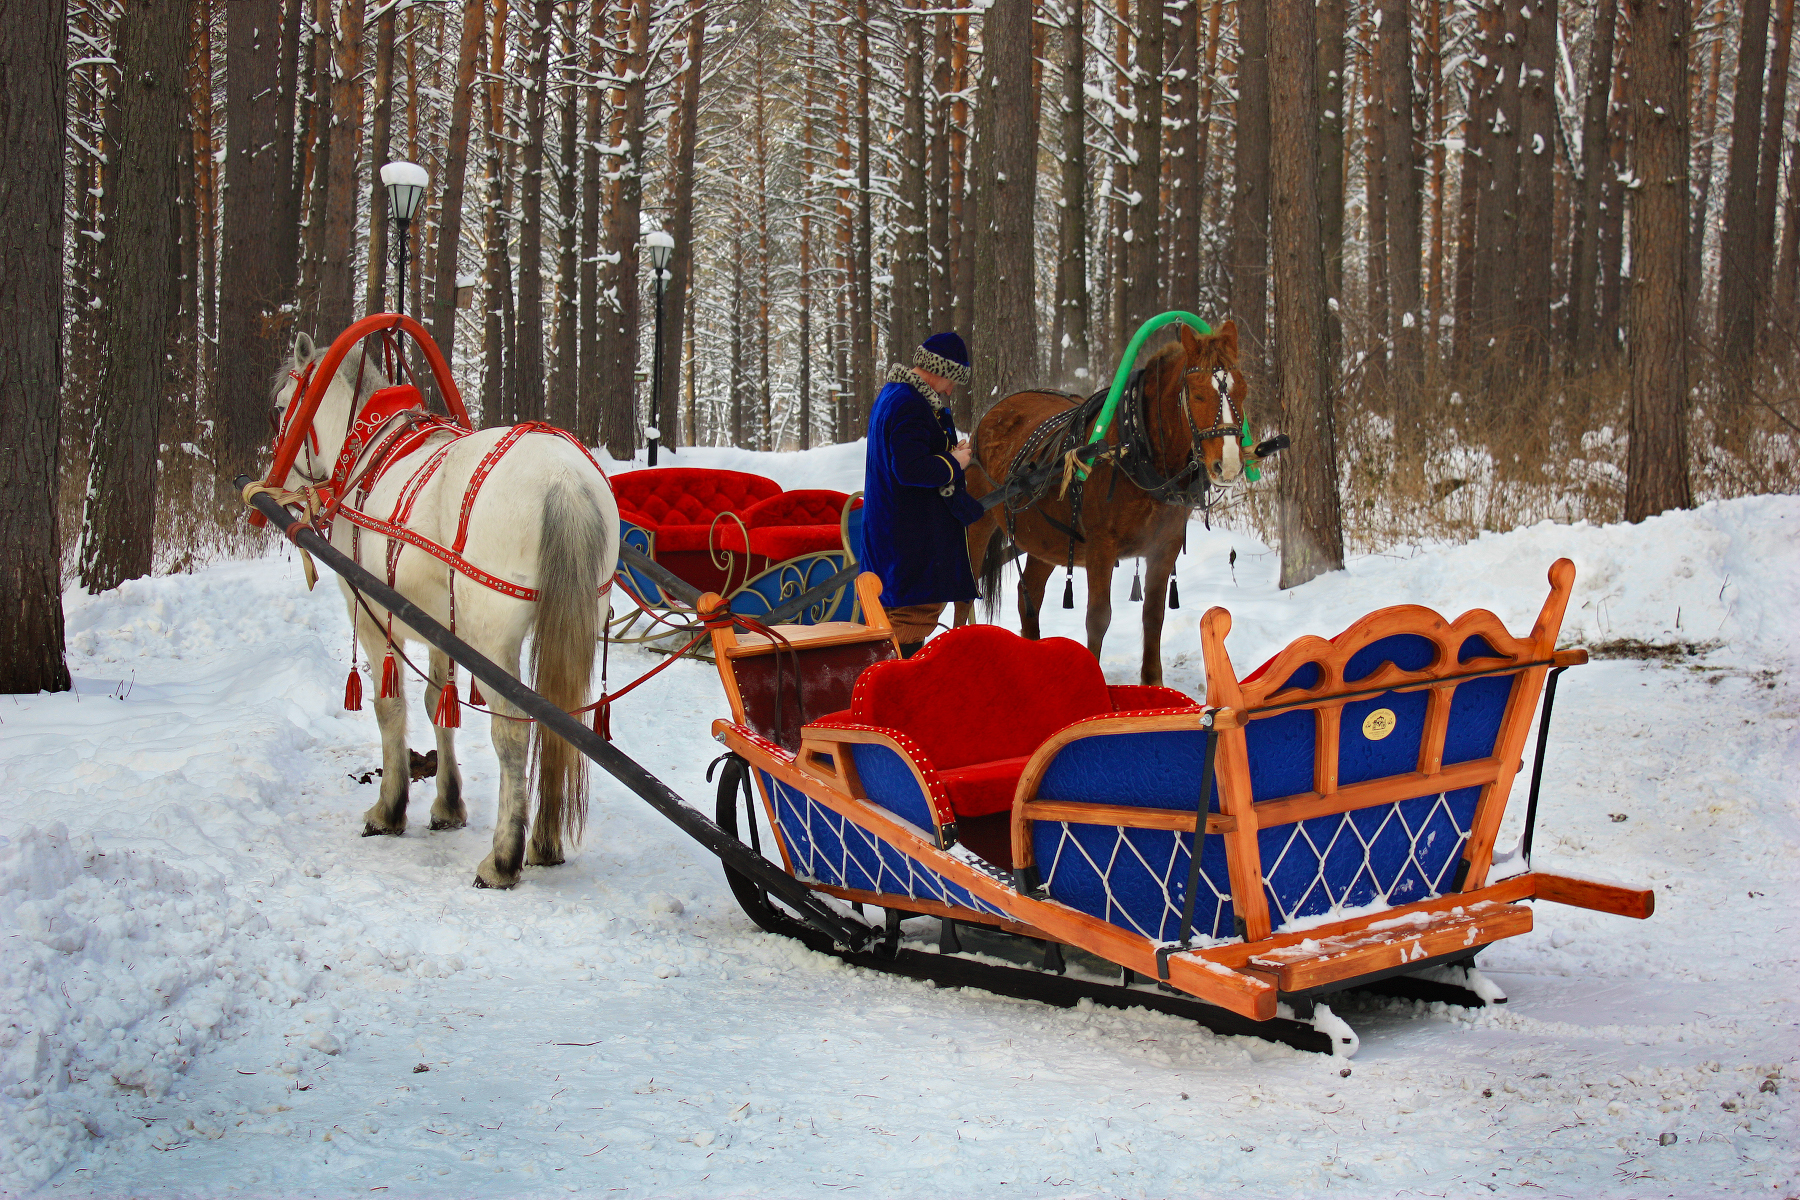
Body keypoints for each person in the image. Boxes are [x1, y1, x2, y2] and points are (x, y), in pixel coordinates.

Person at [860, 332, 983, 656]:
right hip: (908, 542)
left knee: (898, 620)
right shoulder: (909, 404)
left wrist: (947, 452)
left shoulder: (895, 394)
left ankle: (889, 690)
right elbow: (910, 469)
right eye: (953, 380)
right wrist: (955, 461)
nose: (952, 389)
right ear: (940, 370)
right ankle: (895, 694)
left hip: (893, 535)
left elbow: (905, 456)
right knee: (910, 620)